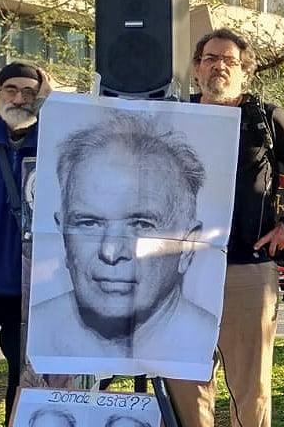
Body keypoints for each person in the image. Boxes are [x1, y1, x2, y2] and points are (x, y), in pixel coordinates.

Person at [165, 28, 284, 427]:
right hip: (181, 264)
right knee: (186, 364)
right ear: (195, 68)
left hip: (248, 263)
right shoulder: (175, 116)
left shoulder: (265, 118)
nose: (219, 67)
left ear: (244, 69)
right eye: (210, 59)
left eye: (229, 60)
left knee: (250, 367)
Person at [28, 113, 216, 362]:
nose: (111, 251)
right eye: (89, 223)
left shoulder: (205, 337)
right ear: (62, 233)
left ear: (188, 245)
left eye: (141, 224)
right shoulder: (39, 332)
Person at [0, 61, 49, 427]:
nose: (20, 99)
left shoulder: (56, 140)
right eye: (12, 89)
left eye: (30, 93)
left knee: (24, 380)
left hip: (30, 287)